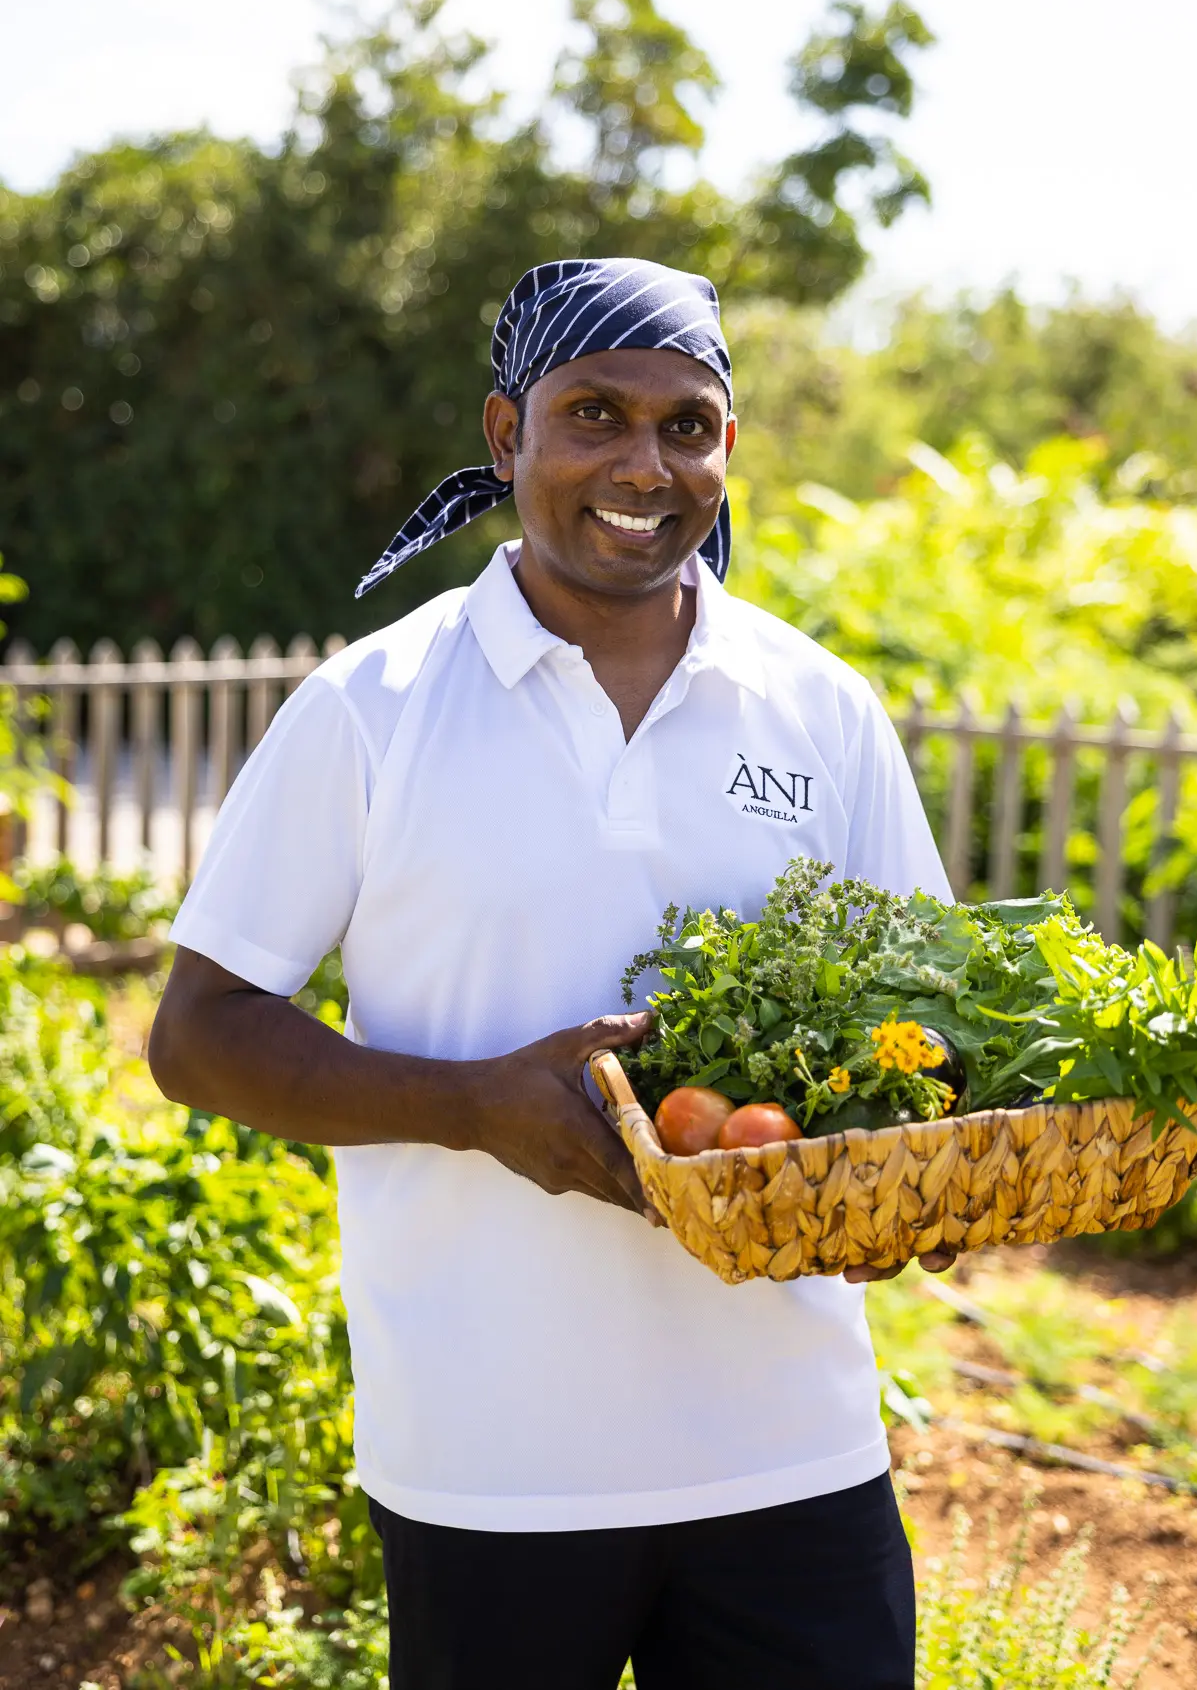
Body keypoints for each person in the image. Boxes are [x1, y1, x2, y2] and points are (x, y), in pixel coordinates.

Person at [149, 257, 955, 1690]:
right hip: (490, 1467)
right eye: (596, 413)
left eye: (687, 425)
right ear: (504, 432)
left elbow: (929, 1029)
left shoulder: (821, 708)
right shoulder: (374, 708)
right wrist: (470, 1105)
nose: (645, 464)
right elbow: (199, 1034)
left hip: (792, 1452)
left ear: (726, 448)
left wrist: (917, 1179)